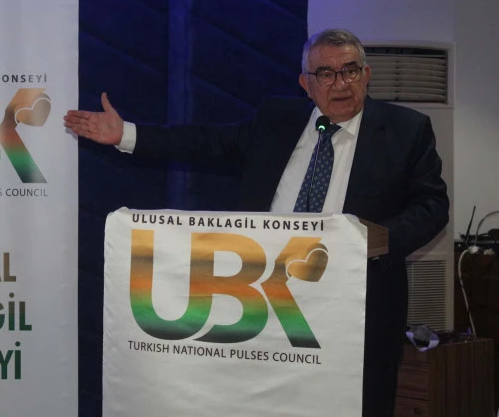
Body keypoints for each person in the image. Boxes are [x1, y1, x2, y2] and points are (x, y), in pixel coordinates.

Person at [64, 28, 449, 417]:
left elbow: (433, 205)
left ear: (366, 75)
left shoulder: (406, 130)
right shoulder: (276, 120)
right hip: (263, 303)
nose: (340, 83)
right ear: (306, 84)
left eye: (350, 71)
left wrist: (376, 241)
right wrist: (126, 134)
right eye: (325, 74)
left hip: (355, 307)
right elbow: (205, 142)